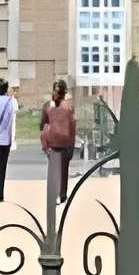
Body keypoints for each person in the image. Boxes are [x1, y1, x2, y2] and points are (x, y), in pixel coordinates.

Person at [40, 77, 78, 211]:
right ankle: (62, 194)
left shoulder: (47, 106)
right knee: (64, 170)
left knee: (54, 169)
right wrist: (72, 143)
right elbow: (72, 126)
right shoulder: (69, 107)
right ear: (65, 92)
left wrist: (44, 141)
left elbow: (43, 124)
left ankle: (55, 193)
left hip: (52, 141)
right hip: (66, 141)